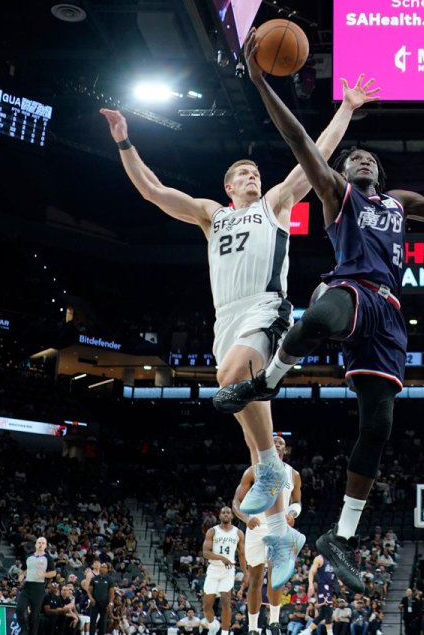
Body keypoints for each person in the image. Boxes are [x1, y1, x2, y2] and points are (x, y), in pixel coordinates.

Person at [214, 28, 424, 593]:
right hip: (348, 289)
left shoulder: (399, 203)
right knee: (319, 318)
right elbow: (300, 142)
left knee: (379, 427)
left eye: (367, 157)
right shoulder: (337, 193)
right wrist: (264, 87)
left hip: (389, 317)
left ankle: (339, 536)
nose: (359, 159)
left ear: (380, 173)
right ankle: (265, 382)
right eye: (353, 157)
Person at [99, 70, 377, 532]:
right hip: (225, 321)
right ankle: (278, 536)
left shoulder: (276, 203)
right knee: (252, 432)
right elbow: (152, 190)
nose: (254, 175)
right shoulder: (210, 215)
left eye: (256, 172)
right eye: (245, 173)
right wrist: (125, 142)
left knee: (230, 383)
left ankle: (271, 472)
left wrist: (346, 108)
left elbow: (316, 155)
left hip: (266, 308)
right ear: (229, 186)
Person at [236, 434, 304, 634]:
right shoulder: (253, 471)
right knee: (255, 579)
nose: (276, 445)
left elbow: (297, 501)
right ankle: (253, 627)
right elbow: (236, 502)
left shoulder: (294, 475)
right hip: (255, 529)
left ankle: (274, 623)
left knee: (276, 575)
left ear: (286, 450)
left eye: (280, 443)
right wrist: (246, 518)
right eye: (272, 442)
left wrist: (293, 512)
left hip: (278, 528)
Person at [202, 506, 246, 635]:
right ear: (220, 516)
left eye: (228, 513)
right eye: (223, 513)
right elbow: (205, 553)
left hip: (228, 571)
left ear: (232, 516)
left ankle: (225, 633)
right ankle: (213, 624)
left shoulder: (238, 533)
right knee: (207, 606)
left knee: (226, 602)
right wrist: (221, 558)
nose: (226, 514)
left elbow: (242, 555)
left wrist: (246, 573)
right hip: (213, 569)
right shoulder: (212, 531)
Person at [18, 536, 59, 635]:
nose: (40, 544)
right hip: (27, 586)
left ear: (45, 546)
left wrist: (44, 574)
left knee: (34, 616)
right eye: (39, 542)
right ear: (36, 544)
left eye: (43, 543)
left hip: (38, 588)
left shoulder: (47, 558)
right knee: (19, 609)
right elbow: (23, 569)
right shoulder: (29, 556)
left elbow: (54, 573)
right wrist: (21, 575)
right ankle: (24, 630)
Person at [82, 562, 116, 635]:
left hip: (105, 604)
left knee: (103, 623)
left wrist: (110, 603)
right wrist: (91, 598)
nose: (102, 568)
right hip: (95, 603)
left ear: (107, 569)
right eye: (101, 567)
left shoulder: (110, 579)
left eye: (104, 567)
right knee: (92, 622)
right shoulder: (94, 579)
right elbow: (89, 591)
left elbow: (112, 593)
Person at [308, 555, 338, 635]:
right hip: (323, 586)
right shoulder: (320, 558)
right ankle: (330, 633)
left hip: (330, 587)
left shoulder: (334, 559)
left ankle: (306, 632)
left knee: (322, 614)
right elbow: (311, 572)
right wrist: (311, 584)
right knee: (329, 612)